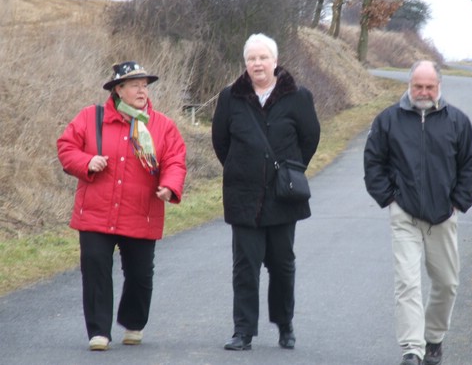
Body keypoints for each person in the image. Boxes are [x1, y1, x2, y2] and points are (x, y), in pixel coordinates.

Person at [57, 61, 187, 351]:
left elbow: (175, 159)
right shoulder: (91, 118)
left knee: (140, 274)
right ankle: (99, 332)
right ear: (119, 90)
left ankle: (133, 322)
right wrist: (86, 162)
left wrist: (170, 185)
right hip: (95, 211)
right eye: (135, 85)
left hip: (141, 211)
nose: (142, 90)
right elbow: (66, 147)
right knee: (95, 269)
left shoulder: (161, 125)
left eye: (145, 85)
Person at [363, 60, 472, 365]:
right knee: (408, 282)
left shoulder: (458, 121)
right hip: (405, 214)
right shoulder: (388, 120)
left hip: (444, 215)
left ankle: (434, 339)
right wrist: (389, 198)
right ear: (409, 85)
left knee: (447, 283)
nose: (424, 92)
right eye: (418, 86)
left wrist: (459, 200)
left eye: (429, 86)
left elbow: (470, 165)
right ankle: (412, 350)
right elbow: (373, 163)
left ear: (439, 86)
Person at [211, 33, 320, 351]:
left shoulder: (298, 96)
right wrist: (240, 167)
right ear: (245, 64)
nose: (257, 63)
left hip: (283, 195)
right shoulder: (230, 96)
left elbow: (309, 139)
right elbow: (221, 142)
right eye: (251, 59)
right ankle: (243, 331)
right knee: (245, 265)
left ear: (275, 61)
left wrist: (291, 170)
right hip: (242, 194)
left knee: (282, 264)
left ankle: (285, 325)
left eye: (263, 58)